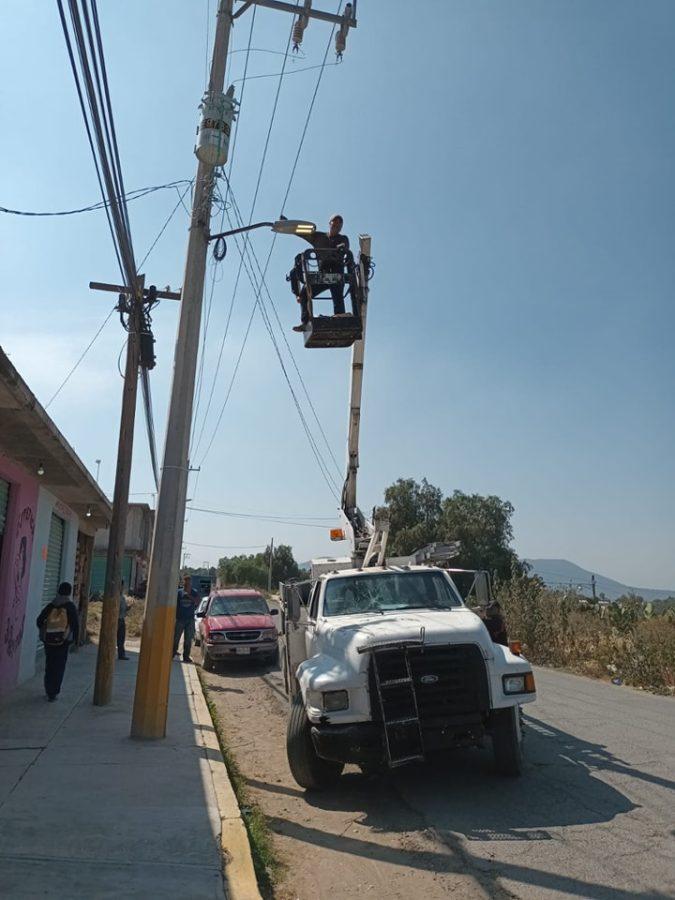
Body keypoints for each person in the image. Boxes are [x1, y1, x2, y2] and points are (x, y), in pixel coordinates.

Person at [291, 214, 350, 331]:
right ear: (330, 223)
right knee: (304, 294)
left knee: (337, 297)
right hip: (323, 274)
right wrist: (287, 225)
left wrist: (341, 248)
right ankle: (305, 322)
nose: (336, 226)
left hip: (336, 273)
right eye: (335, 223)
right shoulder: (319, 237)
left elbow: (344, 248)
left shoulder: (343, 239)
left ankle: (340, 322)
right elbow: (302, 233)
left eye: (339, 224)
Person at [36, 581, 79, 702]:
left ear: (58, 591)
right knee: (59, 666)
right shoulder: (70, 606)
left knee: (49, 665)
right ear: (69, 592)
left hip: (48, 642)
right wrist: (75, 640)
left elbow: (39, 621)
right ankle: (54, 692)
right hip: (63, 642)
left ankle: (48, 689)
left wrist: (46, 629)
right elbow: (75, 625)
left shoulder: (51, 605)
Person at [173, 576, 199, 663]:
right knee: (176, 638)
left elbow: (197, 602)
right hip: (180, 618)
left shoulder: (194, 592)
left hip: (190, 619)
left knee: (188, 639)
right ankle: (172, 653)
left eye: (189, 582)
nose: (187, 584)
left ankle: (186, 656)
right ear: (183, 583)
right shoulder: (179, 592)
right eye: (185, 582)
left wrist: (189, 596)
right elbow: (174, 604)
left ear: (191, 583)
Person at [117, 581, 131, 660]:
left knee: (121, 638)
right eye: (121, 586)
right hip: (116, 620)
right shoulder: (116, 596)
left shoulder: (122, 597)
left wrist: (128, 607)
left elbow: (124, 609)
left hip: (122, 619)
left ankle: (121, 654)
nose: (123, 588)